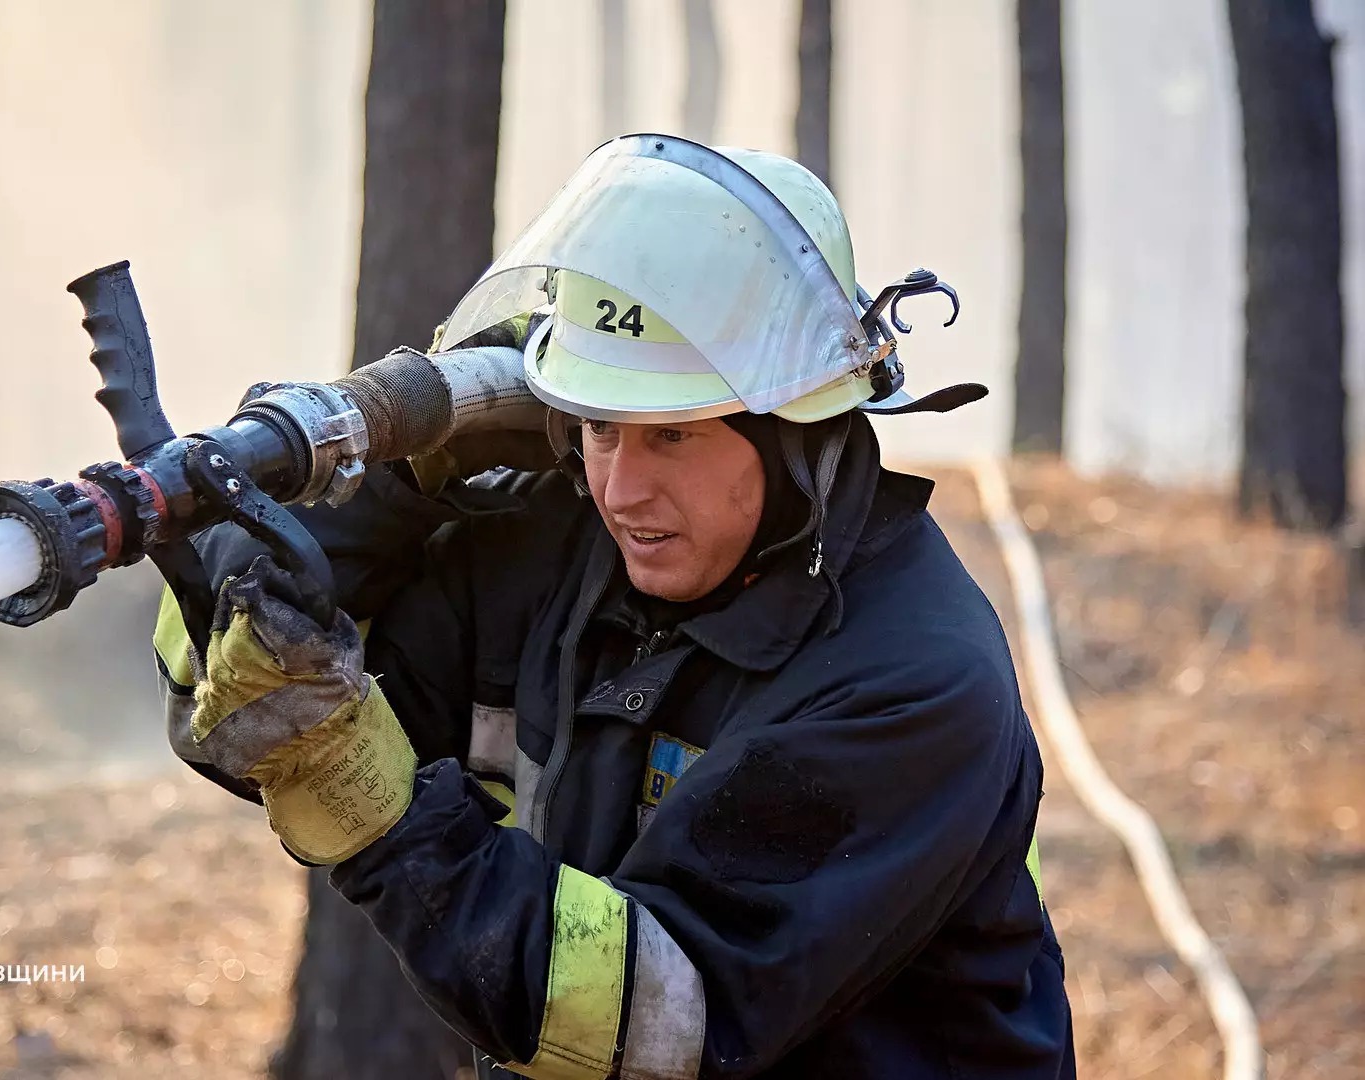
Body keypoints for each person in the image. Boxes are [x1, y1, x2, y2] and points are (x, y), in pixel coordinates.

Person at [153, 135, 1076, 1079]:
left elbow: (659, 1024)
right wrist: (398, 478)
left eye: (669, 435)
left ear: (794, 426)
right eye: (597, 426)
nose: (621, 491)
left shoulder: (907, 681)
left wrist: (373, 809)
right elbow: (235, 703)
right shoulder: (558, 552)